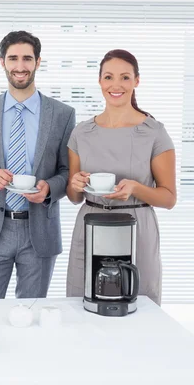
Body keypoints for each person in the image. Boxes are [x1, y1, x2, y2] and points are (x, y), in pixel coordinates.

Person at [0, 31, 76, 299]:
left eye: (27, 58)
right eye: (13, 58)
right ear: (2, 62)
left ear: (38, 62)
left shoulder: (62, 114)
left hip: (39, 231)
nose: (20, 66)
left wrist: (49, 188)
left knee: (32, 317)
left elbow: (67, 172)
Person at [66, 49, 176, 305]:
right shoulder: (81, 132)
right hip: (90, 224)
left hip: (136, 226)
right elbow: (74, 197)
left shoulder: (154, 132)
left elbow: (169, 198)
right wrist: (75, 184)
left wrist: (136, 188)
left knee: (138, 305)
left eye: (125, 77)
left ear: (136, 81)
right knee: (84, 306)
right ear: (100, 81)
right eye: (109, 77)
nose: (116, 85)